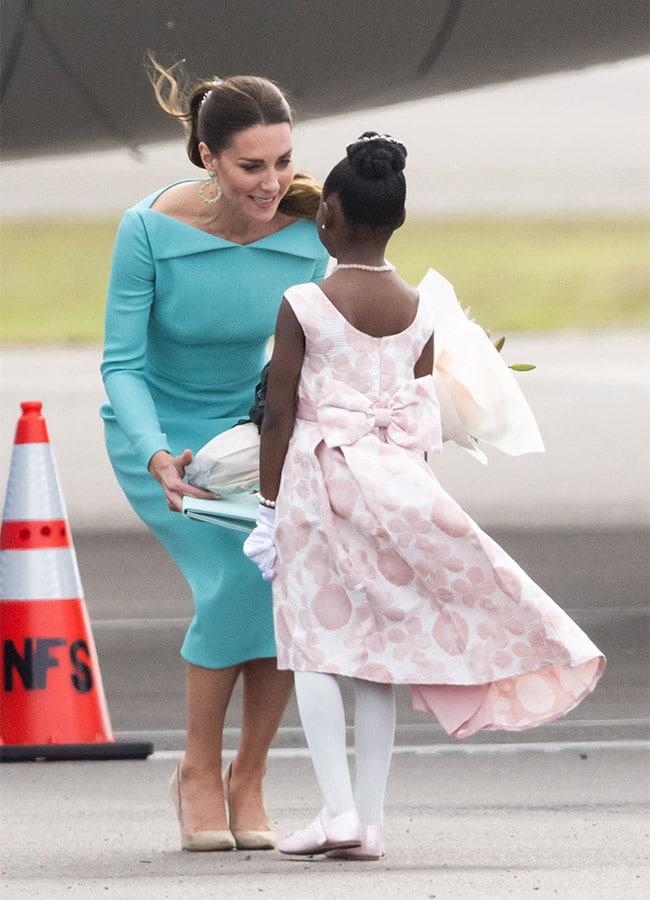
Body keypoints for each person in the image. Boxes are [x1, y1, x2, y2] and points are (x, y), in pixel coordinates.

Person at [243, 132, 606, 860]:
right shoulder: (420, 310)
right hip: (396, 484)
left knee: (313, 648)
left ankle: (336, 809)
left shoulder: (304, 302)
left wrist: (268, 505)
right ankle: (368, 823)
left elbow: (279, 412)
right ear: (396, 221)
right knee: (379, 650)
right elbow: (417, 414)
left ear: (328, 217)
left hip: (322, 482)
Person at [100, 55, 329, 852]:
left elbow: (331, 336)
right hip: (161, 437)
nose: (272, 182)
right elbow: (120, 364)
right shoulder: (149, 230)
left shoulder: (306, 232)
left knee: (286, 571)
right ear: (207, 158)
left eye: (284, 162)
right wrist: (157, 452)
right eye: (251, 166)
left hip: (248, 436)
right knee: (240, 571)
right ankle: (198, 770)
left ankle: (251, 775)